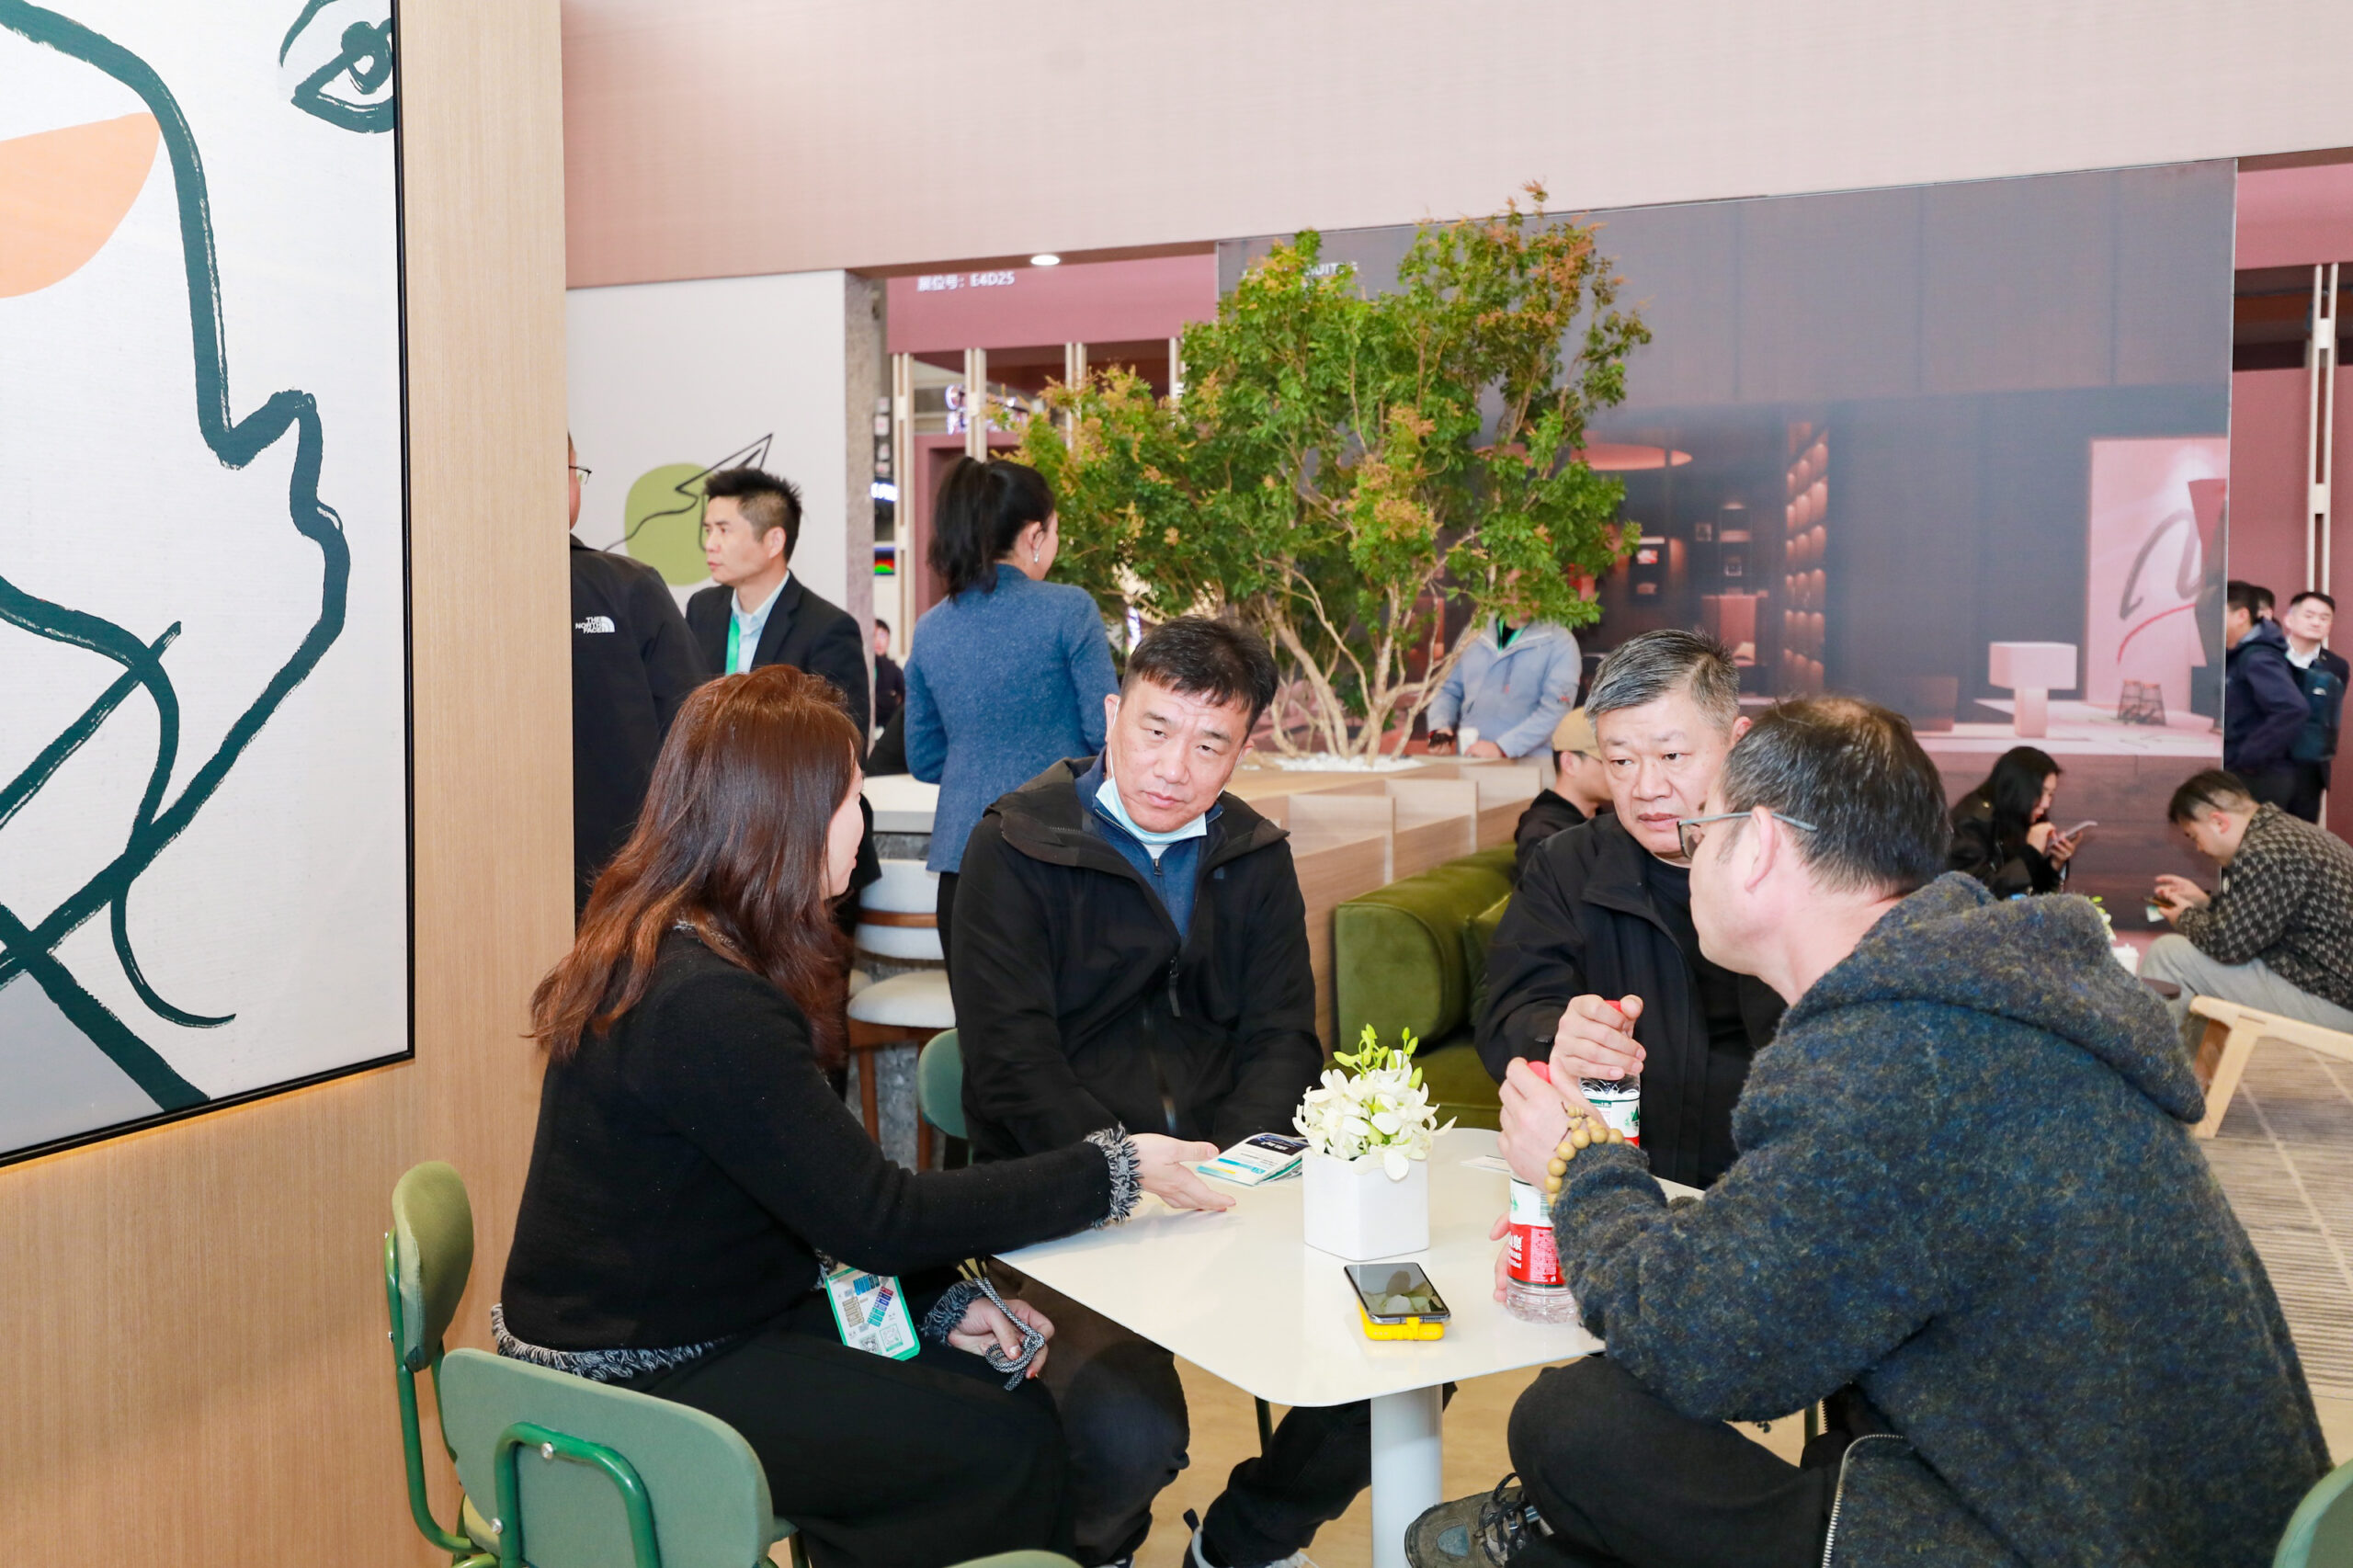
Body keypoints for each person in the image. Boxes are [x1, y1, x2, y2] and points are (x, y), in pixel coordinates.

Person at [1410, 698, 2329, 1568]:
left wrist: (1578, 1162)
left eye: (1702, 833)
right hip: (2145, 1510)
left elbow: (1699, 1344)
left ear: (1759, 845)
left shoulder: (1894, 1056)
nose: (1688, 858)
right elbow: (1804, 1253)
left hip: (2078, 1536)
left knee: (1573, 1422)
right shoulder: (1971, 998)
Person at [498, 665, 1229, 1568]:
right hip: (640, 1379)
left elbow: (815, 1200)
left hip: (677, 1323)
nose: (863, 821)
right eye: (849, 797)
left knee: (991, 1388)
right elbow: (877, 1215)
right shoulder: (707, 1004)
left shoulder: (671, 948)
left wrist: (937, 1301)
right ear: (784, 814)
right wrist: (1113, 1168)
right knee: (1003, 1442)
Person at [950, 618, 1356, 1568]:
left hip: (1229, 1192)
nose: (1174, 767)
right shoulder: (1017, 844)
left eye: (1209, 744)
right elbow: (1011, 1064)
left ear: (1243, 748)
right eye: (1155, 729)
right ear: (1110, 714)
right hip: (1064, 1198)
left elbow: (1282, 1036)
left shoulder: (1251, 852)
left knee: (1399, 1356)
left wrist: (1238, 1170)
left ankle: (1243, 1540)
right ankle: (1098, 1551)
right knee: (1125, 1430)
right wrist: (1126, 1174)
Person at [1477, 631, 1785, 1189]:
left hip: (1771, 1188)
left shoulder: (1795, 862)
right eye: (1620, 760)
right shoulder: (1567, 864)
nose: (1646, 787)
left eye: (1672, 756)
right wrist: (1559, 1038)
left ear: (1737, 743)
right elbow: (1508, 1012)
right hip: (1619, 1181)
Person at [905, 456, 1118, 959]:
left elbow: (925, 758)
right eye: (1055, 530)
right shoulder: (1071, 609)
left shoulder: (931, 627)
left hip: (962, 863)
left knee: (979, 1012)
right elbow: (1106, 733)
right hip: (1061, 855)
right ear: (1034, 535)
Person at [564, 436, 706, 913]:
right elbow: (696, 730)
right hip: (627, 878)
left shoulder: (456, 591)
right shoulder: (629, 587)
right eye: (574, 472)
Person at [2141, 768, 2353, 1038]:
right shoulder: (2287, 835)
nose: (2199, 848)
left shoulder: (2264, 851)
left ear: (2218, 822)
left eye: (2194, 836)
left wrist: (2184, 916)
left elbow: (2228, 946)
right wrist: (2205, 903)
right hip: (2335, 994)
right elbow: (2258, 924)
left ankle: (2147, 1061)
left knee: (2169, 955)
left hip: (2334, 1003)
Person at [686, 467, 870, 741]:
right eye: (708, 530)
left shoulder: (827, 629)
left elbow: (844, 743)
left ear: (774, 542)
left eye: (724, 530)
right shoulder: (702, 609)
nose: (710, 544)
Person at [1425, 614, 1582, 761]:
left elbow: (1556, 710)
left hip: (1529, 765)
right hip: (1470, 759)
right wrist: (1440, 728)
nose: (1517, 597)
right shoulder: (1476, 630)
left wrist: (1503, 748)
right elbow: (1448, 690)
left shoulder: (1560, 641)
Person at [1945, 745, 2076, 897]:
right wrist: (2030, 855)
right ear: (2019, 789)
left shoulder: (2023, 815)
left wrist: (2055, 863)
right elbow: (1978, 894)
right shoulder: (1971, 823)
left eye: (2051, 794)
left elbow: (2036, 897)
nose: (2046, 804)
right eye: (2041, 793)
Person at [2223, 578, 2306, 812]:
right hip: (2250, 771)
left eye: (2215, 612)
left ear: (2241, 616)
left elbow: (2292, 709)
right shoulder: (2238, 654)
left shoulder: (2258, 657)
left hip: (2260, 776)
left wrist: (2248, 756)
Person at [1512, 708, 1612, 881]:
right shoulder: (1543, 834)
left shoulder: (1606, 820)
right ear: (1569, 763)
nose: (1619, 771)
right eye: (1607, 761)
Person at [2279, 590, 2347, 823]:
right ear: (2289, 620)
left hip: (2309, 768)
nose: (2316, 622)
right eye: (2309, 615)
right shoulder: (2267, 657)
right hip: (2266, 765)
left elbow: (2328, 714)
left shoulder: (2337, 666)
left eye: (2324, 618)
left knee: (2303, 835)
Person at [872, 616, 906, 734]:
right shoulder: (861, 666)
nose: (878, 641)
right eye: (873, 635)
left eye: (882, 635)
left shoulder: (894, 670)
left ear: (888, 640)